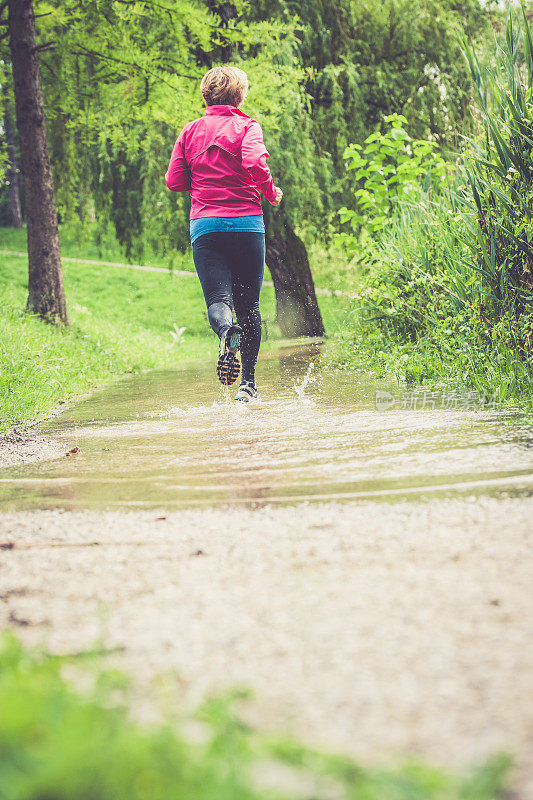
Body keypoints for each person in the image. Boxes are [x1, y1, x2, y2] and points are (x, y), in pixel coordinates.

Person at [165, 65, 283, 402]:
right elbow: (256, 164)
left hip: (206, 227)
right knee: (250, 307)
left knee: (219, 302)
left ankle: (226, 332)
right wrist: (270, 192)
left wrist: (204, 185)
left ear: (206, 94)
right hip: (247, 225)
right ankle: (248, 386)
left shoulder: (190, 131)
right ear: (240, 94)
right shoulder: (247, 126)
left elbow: (174, 181)